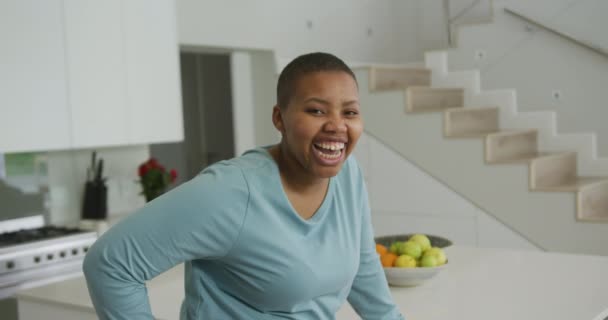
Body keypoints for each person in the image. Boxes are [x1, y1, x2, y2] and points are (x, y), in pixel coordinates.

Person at [83, 52, 404, 319]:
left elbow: (362, 265)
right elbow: (111, 264)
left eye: (350, 112)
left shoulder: (348, 175)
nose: (337, 125)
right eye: (316, 110)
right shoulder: (230, 193)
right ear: (279, 118)